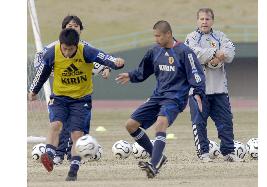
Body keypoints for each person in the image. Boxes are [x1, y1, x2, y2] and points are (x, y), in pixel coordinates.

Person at [28, 28, 125, 181]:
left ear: (76, 45)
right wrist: (33, 91)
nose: (66, 52)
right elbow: (42, 72)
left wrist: (116, 62)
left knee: (77, 135)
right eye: (64, 48)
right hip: (59, 98)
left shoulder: (86, 51)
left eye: (70, 49)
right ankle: (50, 157)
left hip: (81, 100)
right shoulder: (52, 53)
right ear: (60, 44)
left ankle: (73, 170)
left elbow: (104, 57)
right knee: (55, 125)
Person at [116, 20, 205, 178]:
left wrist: (198, 93)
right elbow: (143, 71)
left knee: (160, 123)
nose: (156, 39)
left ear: (168, 34)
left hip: (175, 98)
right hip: (157, 96)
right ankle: (158, 157)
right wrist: (130, 75)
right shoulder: (154, 51)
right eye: (154, 36)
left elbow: (196, 75)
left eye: (158, 36)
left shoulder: (185, 52)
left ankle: (153, 164)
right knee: (130, 125)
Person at [33, 15, 111, 165]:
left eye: (75, 26)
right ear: (63, 29)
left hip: (82, 94)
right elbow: (40, 60)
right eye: (69, 26)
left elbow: (100, 59)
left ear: (80, 29)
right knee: (59, 124)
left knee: (80, 127)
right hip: (61, 94)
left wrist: (105, 69)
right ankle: (58, 154)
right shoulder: (54, 48)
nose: (72, 28)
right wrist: (48, 71)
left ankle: (76, 155)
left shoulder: (86, 48)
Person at [184, 8, 238, 162]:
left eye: (207, 19)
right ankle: (204, 153)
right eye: (201, 19)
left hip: (219, 89)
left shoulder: (220, 36)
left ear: (212, 21)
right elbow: (194, 54)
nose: (204, 22)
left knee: (225, 122)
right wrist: (216, 54)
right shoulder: (191, 38)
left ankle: (228, 152)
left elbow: (230, 52)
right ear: (197, 21)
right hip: (198, 90)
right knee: (199, 123)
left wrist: (219, 57)